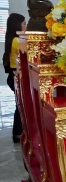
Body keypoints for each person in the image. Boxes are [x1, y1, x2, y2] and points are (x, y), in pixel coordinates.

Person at [2, 13, 26, 143]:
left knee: (19, 104)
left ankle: (19, 132)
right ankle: (18, 133)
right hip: (17, 76)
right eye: (24, 23)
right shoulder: (18, 40)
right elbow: (27, 54)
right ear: (17, 25)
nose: (25, 26)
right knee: (20, 105)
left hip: (12, 76)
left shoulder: (11, 39)